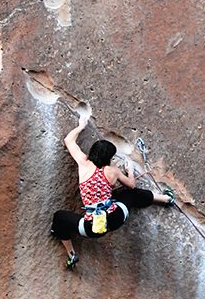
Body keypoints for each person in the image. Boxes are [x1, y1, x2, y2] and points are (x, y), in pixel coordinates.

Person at [51, 113, 177, 269]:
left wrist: (81, 126)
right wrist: (130, 171)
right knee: (131, 194)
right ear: (108, 158)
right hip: (115, 218)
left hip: (92, 228)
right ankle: (166, 199)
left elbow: (68, 140)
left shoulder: (83, 163)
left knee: (59, 218)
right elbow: (131, 185)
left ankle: (71, 254)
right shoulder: (113, 171)